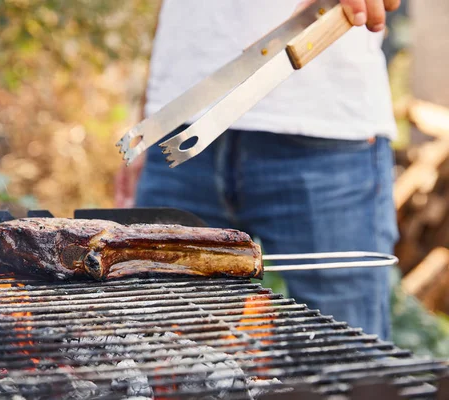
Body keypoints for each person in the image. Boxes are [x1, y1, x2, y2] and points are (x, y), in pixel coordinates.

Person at [114, 0, 401, 340]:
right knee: (155, 352)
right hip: (177, 125)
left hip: (329, 134)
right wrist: (149, 111)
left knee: (351, 366)